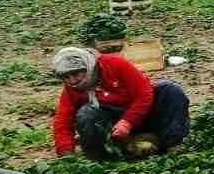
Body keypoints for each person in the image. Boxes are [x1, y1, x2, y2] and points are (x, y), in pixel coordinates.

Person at [51, 47, 191, 161]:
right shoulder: (71, 89)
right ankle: (103, 157)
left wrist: (127, 122)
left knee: (170, 90)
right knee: (86, 114)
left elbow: (144, 93)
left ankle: (171, 143)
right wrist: (66, 153)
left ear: (88, 67)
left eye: (76, 74)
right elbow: (63, 120)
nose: (72, 81)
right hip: (113, 129)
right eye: (66, 77)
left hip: (141, 115)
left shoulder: (114, 64)